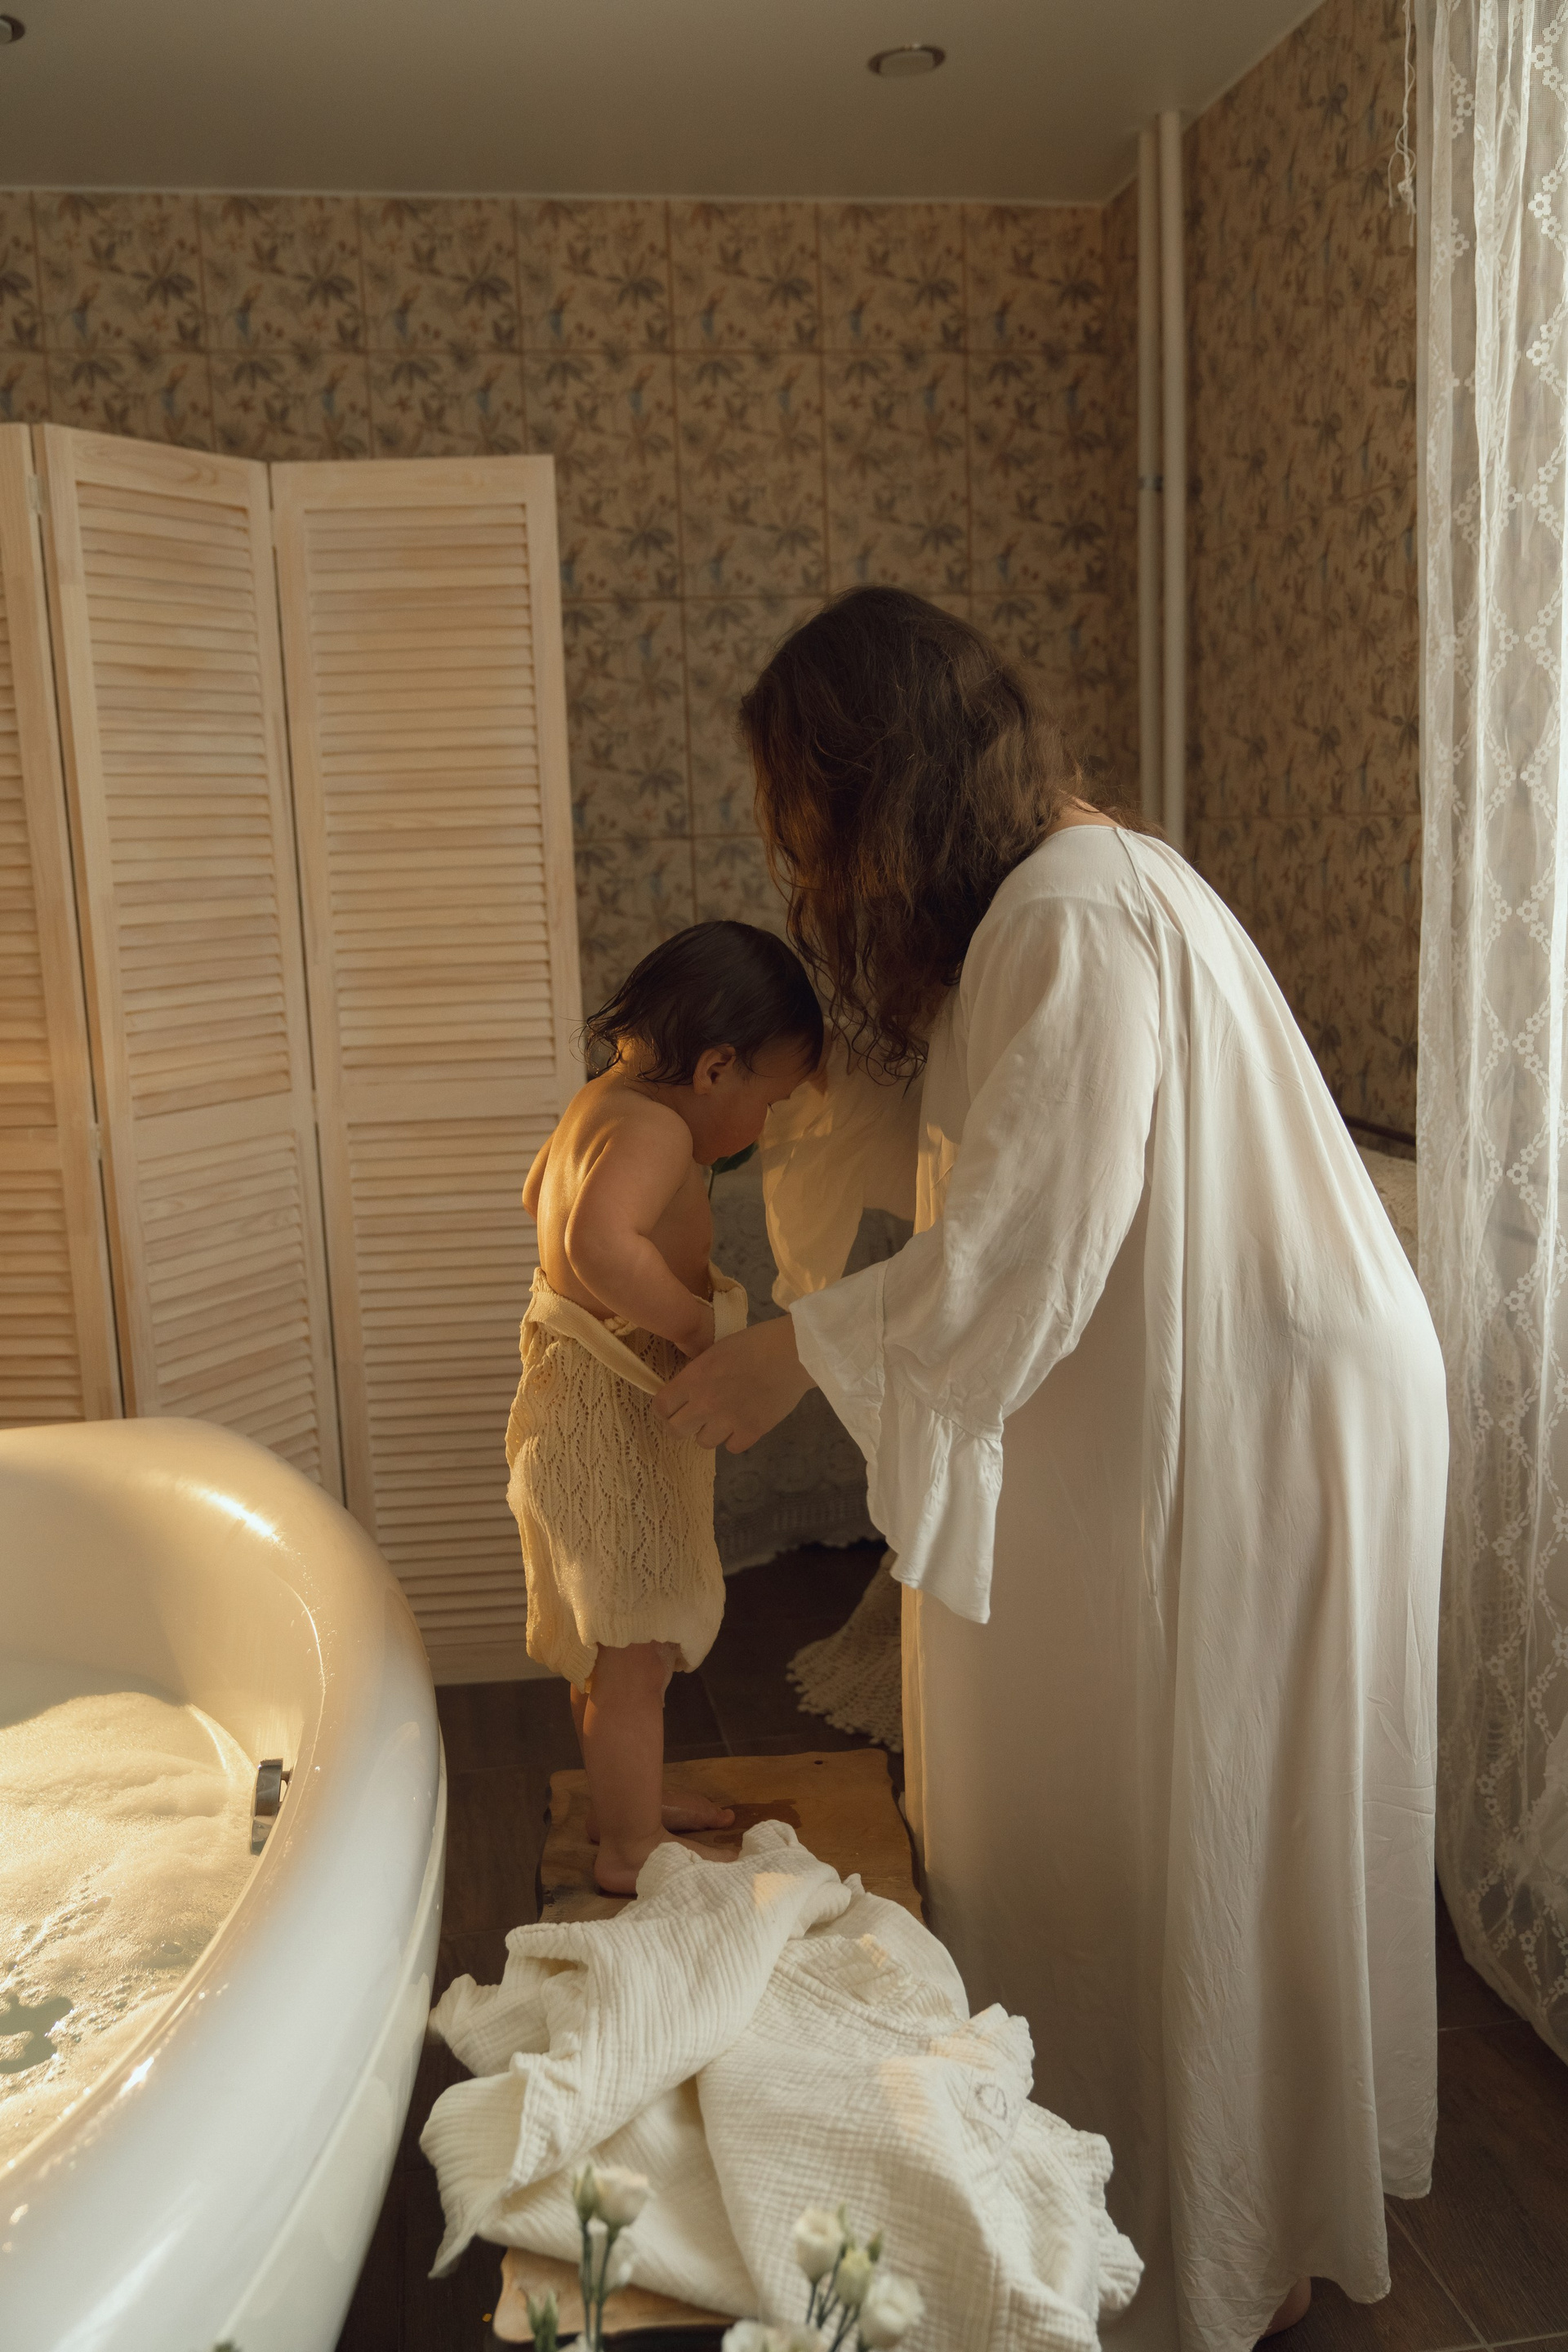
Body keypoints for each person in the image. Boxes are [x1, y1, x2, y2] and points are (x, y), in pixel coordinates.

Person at [654, 590, 1448, 2352]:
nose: (805, 865)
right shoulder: (1061, 898)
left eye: (805, 819)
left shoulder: (1075, 910)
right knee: (1222, 1804)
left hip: (1270, 1402)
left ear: (879, 785)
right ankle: (1204, 2206)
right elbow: (988, 1170)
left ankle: (1204, 2232)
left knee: (1206, 1804)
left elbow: (1027, 1235)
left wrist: (799, 1351)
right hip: (1265, 1378)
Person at [510, 920, 822, 1895]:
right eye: (770, 1100)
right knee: (636, 1642)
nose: (764, 1125)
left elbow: (539, 1200)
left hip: (574, 1401)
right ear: (717, 1068)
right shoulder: (659, 1129)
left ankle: (627, 1805)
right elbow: (598, 1245)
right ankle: (631, 1848)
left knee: (612, 1640)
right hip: (610, 1413)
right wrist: (693, 1327)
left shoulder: (598, 1105)